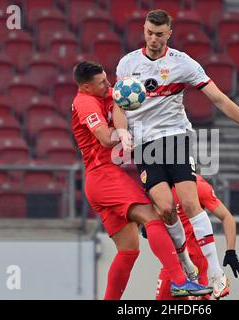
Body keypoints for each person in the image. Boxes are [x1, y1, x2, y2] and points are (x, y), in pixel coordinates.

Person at [115, 9, 239, 298]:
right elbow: (118, 105)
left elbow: (218, 98)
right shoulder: (128, 64)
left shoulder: (182, 64)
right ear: (144, 30)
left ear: (169, 34)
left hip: (175, 137)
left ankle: (215, 272)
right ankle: (187, 265)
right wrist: (123, 131)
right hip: (144, 145)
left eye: (159, 34)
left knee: (189, 203)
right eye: (149, 32)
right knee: (164, 209)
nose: (153, 39)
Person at [71, 61, 212, 299]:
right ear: (85, 87)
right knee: (153, 219)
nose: (108, 84)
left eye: (107, 78)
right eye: (102, 82)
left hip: (100, 180)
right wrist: (137, 134)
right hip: (103, 175)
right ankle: (180, 281)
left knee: (128, 251)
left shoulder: (109, 95)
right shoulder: (85, 103)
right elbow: (105, 139)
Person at [146, 175, 239, 300]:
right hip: (176, 259)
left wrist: (231, 251)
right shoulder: (159, 184)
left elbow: (227, 217)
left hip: (194, 263)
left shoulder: (196, 186)